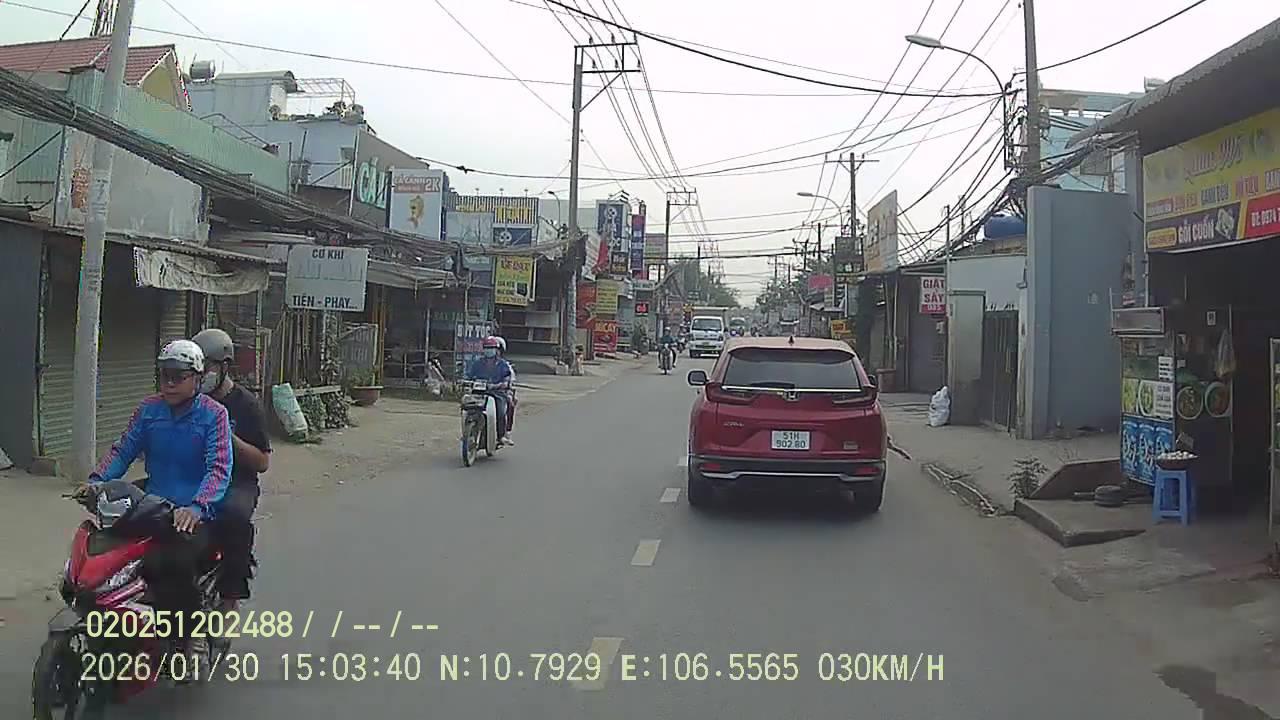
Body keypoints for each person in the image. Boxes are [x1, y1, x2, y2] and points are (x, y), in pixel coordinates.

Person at [79, 339, 232, 664]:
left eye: (179, 376)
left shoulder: (214, 415)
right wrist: (96, 482)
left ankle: (188, 636)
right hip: (151, 504)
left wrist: (197, 507)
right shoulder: (149, 410)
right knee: (106, 550)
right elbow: (123, 450)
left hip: (193, 512)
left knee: (173, 563)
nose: (170, 383)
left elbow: (219, 468)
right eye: (164, 375)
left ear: (198, 378)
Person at [192, 328, 271, 613]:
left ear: (224, 366)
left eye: (207, 367)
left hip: (236, 482)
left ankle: (230, 597)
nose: (202, 375)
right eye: (196, 369)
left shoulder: (246, 405)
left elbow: (262, 462)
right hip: (195, 476)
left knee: (235, 517)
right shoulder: (189, 400)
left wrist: (229, 438)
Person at [465, 336, 514, 445]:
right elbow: (469, 375)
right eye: (486, 348)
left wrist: (501, 385)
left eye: (491, 348)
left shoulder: (502, 364)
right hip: (479, 392)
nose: (489, 350)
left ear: (496, 350)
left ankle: (501, 436)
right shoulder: (477, 363)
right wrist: (467, 382)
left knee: (500, 412)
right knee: (467, 406)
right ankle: (467, 432)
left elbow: (507, 378)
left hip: (496, 393)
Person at [494, 335, 517, 436]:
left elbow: (510, 379)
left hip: (500, 392)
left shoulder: (505, 365)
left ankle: (505, 432)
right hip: (483, 391)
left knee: (509, 403)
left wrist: (506, 384)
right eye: (488, 348)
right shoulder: (480, 362)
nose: (494, 351)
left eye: (496, 349)